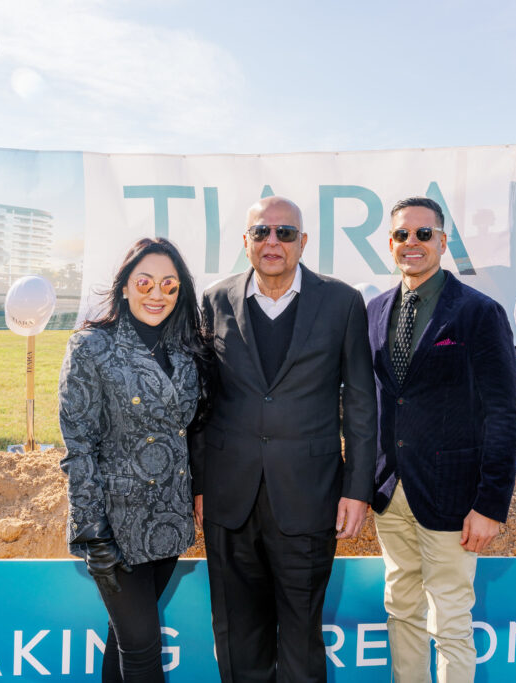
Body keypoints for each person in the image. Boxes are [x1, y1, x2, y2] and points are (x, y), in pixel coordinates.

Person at [190, 196, 376, 682]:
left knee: (301, 642)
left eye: (285, 233)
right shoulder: (214, 301)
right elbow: (201, 404)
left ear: (303, 242)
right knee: (237, 638)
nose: (273, 241)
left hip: (309, 497)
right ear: (246, 242)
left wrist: (357, 489)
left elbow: (360, 401)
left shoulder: (341, 303)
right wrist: (200, 484)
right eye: (261, 232)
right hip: (229, 500)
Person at [366, 197, 516, 682]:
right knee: (401, 610)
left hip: (454, 498)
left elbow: (503, 413)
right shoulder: (373, 312)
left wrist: (492, 503)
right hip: (391, 493)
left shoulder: (478, 312)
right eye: (401, 235)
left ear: (442, 241)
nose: (411, 243)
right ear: (390, 244)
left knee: (451, 621)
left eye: (423, 234)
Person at [58, 237, 211, 683]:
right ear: (124, 285)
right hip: (116, 528)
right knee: (143, 650)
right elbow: (78, 446)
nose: (157, 294)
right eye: (145, 282)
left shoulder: (187, 349)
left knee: (124, 642)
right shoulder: (91, 347)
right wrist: (93, 532)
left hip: (167, 522)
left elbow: (193, 428)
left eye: (169, 285)